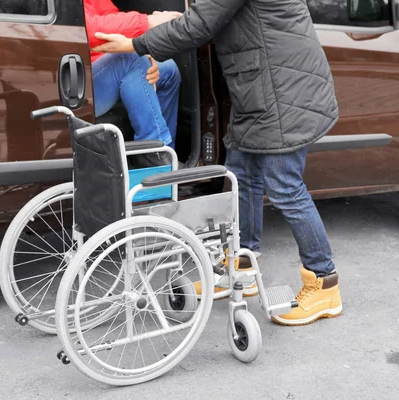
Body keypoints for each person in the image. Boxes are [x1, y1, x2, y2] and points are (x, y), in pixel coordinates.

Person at [91, 0, 342, 326]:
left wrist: (136, 44)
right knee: (241, 177)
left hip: (282, 90)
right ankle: (241, 270)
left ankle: (324, 282)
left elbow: (202, 23)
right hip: (260, 89)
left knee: (286, 188)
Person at [84, 0, 182, 155]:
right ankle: (155, 157)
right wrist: (147, 22)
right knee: (132, 60)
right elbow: (85, 29)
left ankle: (168, 153)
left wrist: (142, 49)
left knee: (168, 69)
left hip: (103, 64)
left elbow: (110, 15)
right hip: (76, 82)